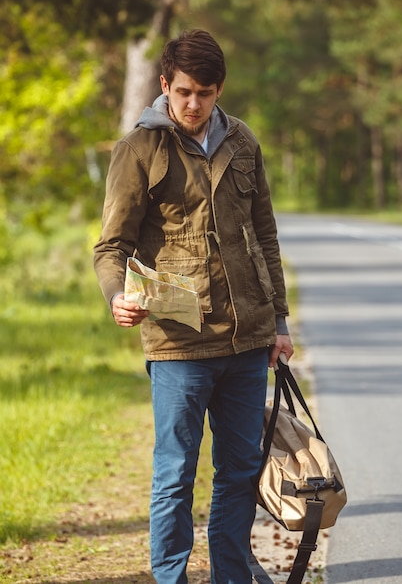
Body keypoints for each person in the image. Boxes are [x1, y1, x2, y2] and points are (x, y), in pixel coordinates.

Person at [94, 29, 293, 584]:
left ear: (218, 88)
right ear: (165, 86)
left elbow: (265, 236)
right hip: (179, 345)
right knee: (176, 474)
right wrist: (119, 298)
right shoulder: (139, 149)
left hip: (249, 341)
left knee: (239, 471)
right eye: (183, 92)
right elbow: (111, 247)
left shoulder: (244, 142)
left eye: (205, 93)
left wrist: (279, 322)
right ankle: (171, 578)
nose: (193, 104)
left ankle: (231, 574)